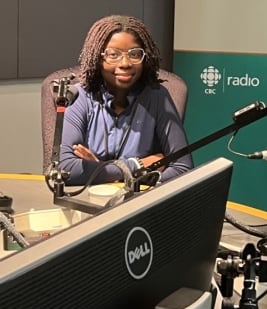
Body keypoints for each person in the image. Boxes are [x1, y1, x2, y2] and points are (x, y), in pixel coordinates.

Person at [58, 15, 192, 185]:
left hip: (140, 203)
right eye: (113, 54)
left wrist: (99, 169)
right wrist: (137, 166)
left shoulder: (157, 97)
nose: (125, 63)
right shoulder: (79, 97)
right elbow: (66, 169)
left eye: (135, 54)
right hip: (87, 202)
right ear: (97, 59)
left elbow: (182, 166)